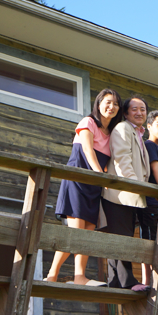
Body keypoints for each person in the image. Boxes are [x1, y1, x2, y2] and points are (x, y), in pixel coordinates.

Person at [45, 88, 122, 286]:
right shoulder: (88, 122)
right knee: (75, 232)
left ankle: (79, 276)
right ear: (98, 104)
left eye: (115, 104)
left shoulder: (111, 134)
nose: (111, 107)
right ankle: (52, 275)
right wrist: (101, 175)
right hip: (77, 180)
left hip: (94, 186)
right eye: (107, 102)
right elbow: (88, 151)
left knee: (86, 233)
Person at [101, 95, 151, 292]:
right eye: (134, 109)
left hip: (130, 194)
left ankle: (115, 280)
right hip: (121, 192)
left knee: (121, 236)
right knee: (122, 237)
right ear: (125, 113)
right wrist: (135, 185)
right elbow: (122, 159)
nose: (139, 113)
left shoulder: (137, 133)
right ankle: (127, 280)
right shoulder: (123, 128)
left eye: (143, 109)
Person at [138, 110, 158, 285]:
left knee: (155, 240)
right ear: (149, 126)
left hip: (153, 201)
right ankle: (147, 280)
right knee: (149, 241)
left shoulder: (156, 147)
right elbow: (155, 169)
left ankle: (152, 280)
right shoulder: (149, 145)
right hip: (150, 200)